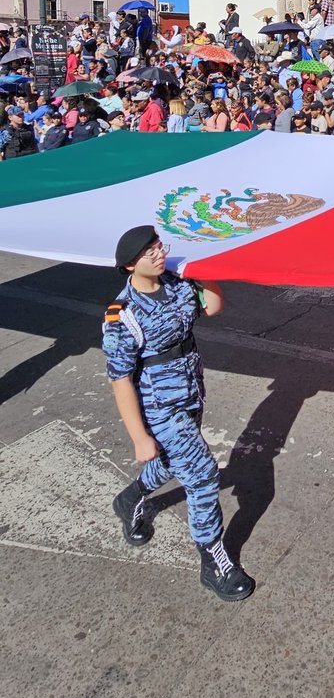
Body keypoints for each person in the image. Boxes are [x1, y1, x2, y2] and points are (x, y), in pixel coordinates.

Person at [102, 225, 254, 601]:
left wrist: (207, 270)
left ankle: (130, 498)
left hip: (190, 396)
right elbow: (120, 380)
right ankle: (213, 559)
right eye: (147, 252)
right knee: (202, 475)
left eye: (157, 246)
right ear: (128, 267)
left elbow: (214, 307)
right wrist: (140, 437)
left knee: (172, 463)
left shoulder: (178, 284)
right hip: (159, 407)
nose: (157, 254)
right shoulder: (122, 316)